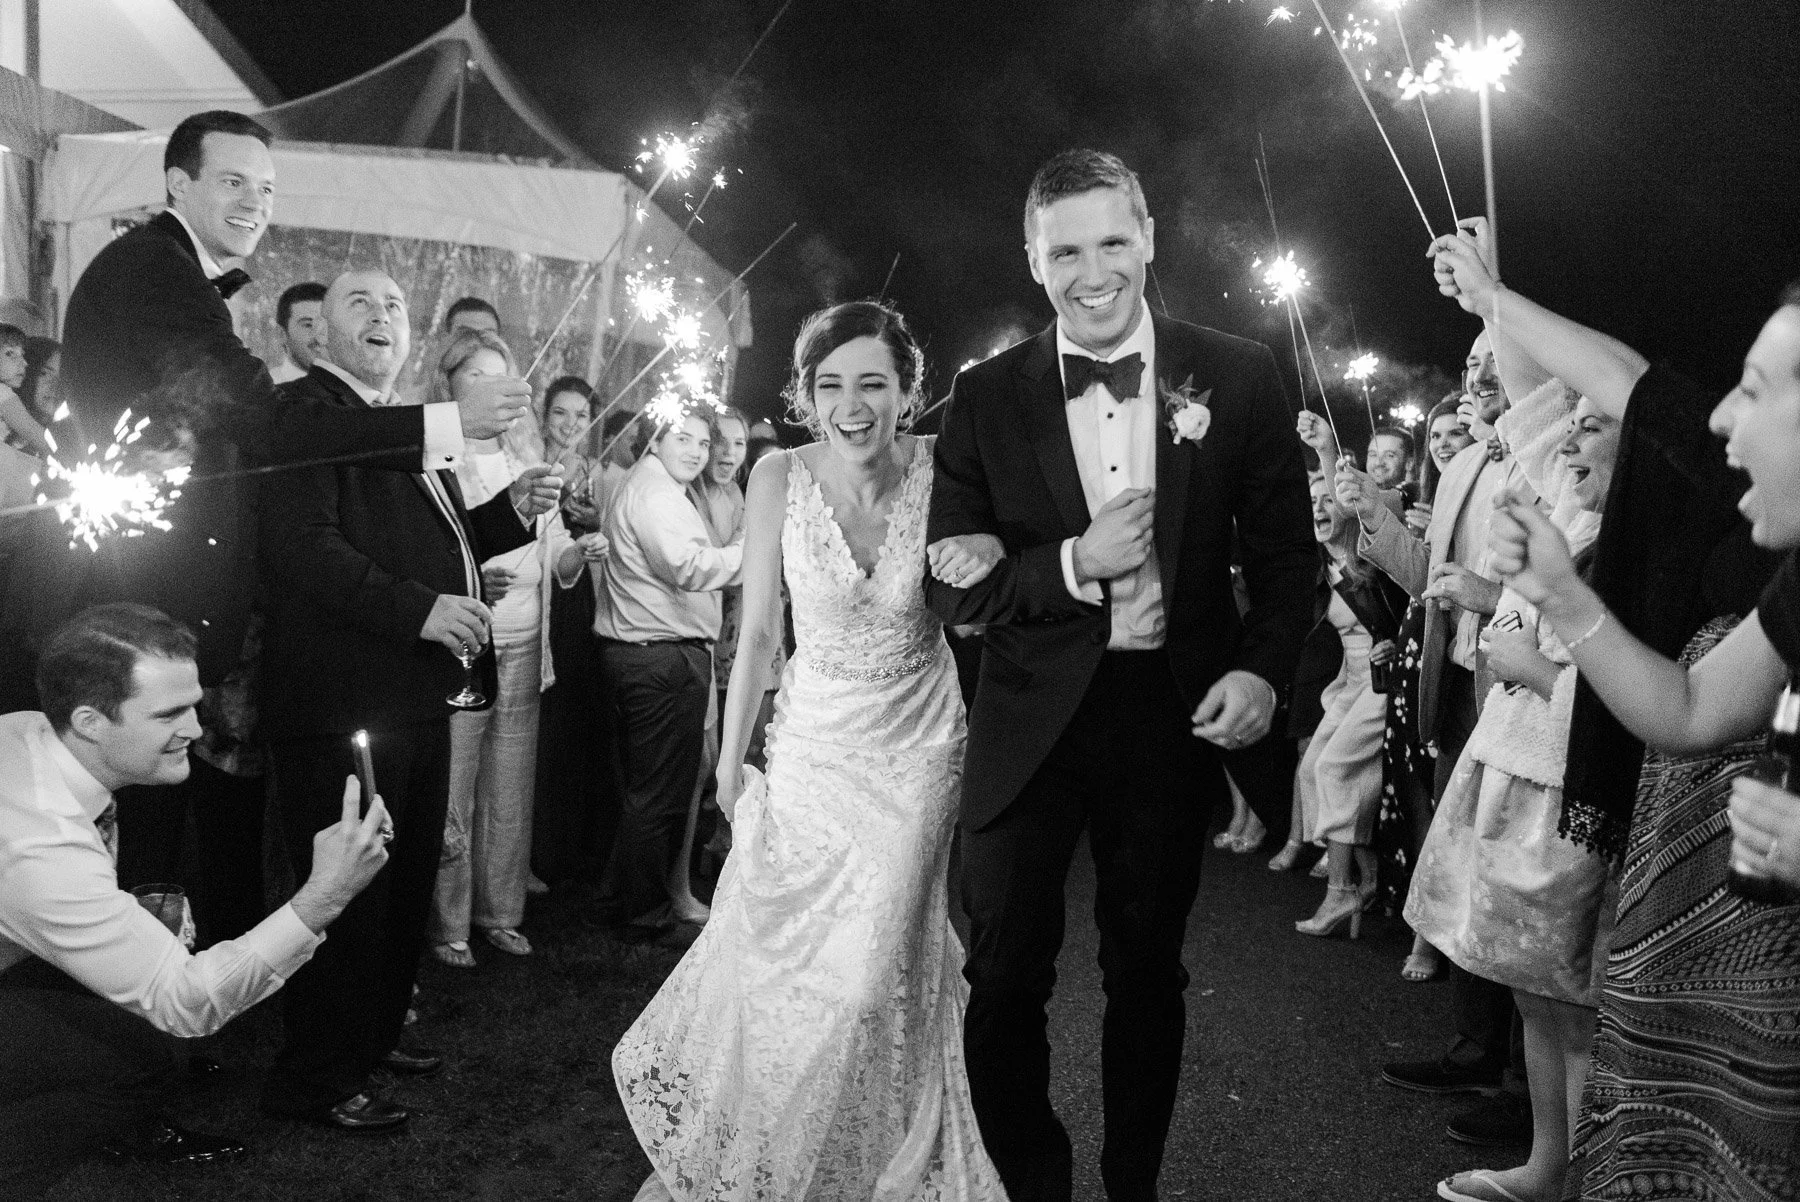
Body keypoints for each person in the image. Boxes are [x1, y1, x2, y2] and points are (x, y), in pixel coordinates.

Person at [925, 149, 1316, 1201]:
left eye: (1110, 241)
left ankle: (1131, 1183)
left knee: (1146, 970)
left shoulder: (1235, 373)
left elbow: (1289, 559)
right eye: (1064, 250)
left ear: (1147, 236)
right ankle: (1036, 1182)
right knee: (1001, 972)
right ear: (1032, 258)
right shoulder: (983, 397)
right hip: (1027, 720)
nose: (1090, 271)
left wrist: (1264, 672)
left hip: (1164, 715)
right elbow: (956, 586)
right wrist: (1070, 564)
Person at [614, 299, 1008, 1199]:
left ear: (909, 392)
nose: (852, 403)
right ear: (806, 394)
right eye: (831, 384)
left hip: (919, 746)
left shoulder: (948, 468)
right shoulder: (775, 477)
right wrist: (727, 754)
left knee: (875, 973)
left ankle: (881, 1157)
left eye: (873, 382)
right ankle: (788, 1155)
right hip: (813, 747)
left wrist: (985, 546)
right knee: (794, 965)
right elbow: (757, 631)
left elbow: (996, 562)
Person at [1452, 248, 1794, 1196]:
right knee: (1699, 1095)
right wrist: (1562, 597)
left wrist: (1495, 300)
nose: (1721, 417)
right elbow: (1687, 708)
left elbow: (1638, 392)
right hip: (1707, 865)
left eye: (1754, 392)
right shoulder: (1790, 578)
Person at [255, 268, 558, 1133]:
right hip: (340, 700)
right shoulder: (307, 416)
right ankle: (314, 1076)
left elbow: (443, 543)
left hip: (417, 695)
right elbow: (307, 553)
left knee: (401, 883)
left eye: (394, 304)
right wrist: (422, 610)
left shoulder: (403, 434)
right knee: (347, 897)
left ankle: (373, 1040)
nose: (384, 314)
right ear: (318, 334)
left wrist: (508, 514)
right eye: (362, 303)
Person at [0, 603, 392, 1197]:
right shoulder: (38, 845)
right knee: (138, 1062)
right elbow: (185, 1004)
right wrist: (323, 896)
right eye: (169, 713)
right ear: (89, 720)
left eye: (194, 704)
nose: (195, 729)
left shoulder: (31, 729)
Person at [1404, 356, 1617, 1202]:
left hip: (1571, 792)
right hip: (1512, 767)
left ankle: (1597, 1176)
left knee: (1579, 1004)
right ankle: (1548, 1163)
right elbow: (1532, 422)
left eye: (1590, 427)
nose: (1564, 445)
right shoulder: (1569, 510)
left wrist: (1529, 667)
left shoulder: (1624, 545)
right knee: (1535, 997)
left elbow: (1633, 701)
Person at [1338, 328, 1533, 1145]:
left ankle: (1529, 1088)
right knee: (1465, 865)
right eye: (1469, 367)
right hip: (1450, 687)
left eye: (1494, 366)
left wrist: (1490, 592)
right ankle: (1474, 1049)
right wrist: (1371, 521)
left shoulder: (1545, 459)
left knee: (1517, 880)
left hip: (1514, 685)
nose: (1478, 379)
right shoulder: (1460, 466)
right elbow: (1427, 582)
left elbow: (1534, 586)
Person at [426, 330, 596, 966]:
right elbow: (436, 551)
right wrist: (467, 579)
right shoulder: (434, 460)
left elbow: (549, 550)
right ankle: (448, 924)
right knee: (456, 786)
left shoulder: (523, 455)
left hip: (526, 642)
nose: (492, 392)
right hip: (467, 645)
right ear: (448, 389)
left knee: (511, 782)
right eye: (476, 379)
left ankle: (500, 912)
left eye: (502, 378)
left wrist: (575, 553)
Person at [593, 406, 742, 932]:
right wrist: (752, 551)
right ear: (654, 439)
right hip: (660, 657)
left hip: (655, 654)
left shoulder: (656, 487)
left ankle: (625, 897)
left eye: (703, 443)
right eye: (685, 438)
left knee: (652, 789)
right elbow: (689, 566)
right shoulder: (656, 494)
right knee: (659, 794)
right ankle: (644, 913)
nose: (698, 452)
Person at [1291, 468, 1407, 938]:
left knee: (1335, 769)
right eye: (1310, 501)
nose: (1317, 509)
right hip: (1350, 683)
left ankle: (1342, 890)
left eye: (1326, 499)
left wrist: (1398, 645)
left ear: (1347, 505)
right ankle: (1371, 880)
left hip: (1385, 683)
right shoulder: (1323, 566)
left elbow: (1415, 609)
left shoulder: (1371, 559)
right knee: (1309, 768)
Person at [270, 281, 327, 384]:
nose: (320, 337)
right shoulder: (262, 392)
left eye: (326, 325)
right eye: (308, 325)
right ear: (282, 334)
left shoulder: (357, 391)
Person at [1367, 424, 1417, 495]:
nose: (1378, 462)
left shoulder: (1419, 500)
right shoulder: (1353, 499)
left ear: (1409, 463)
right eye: (1373, 455)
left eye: (1389, 455)